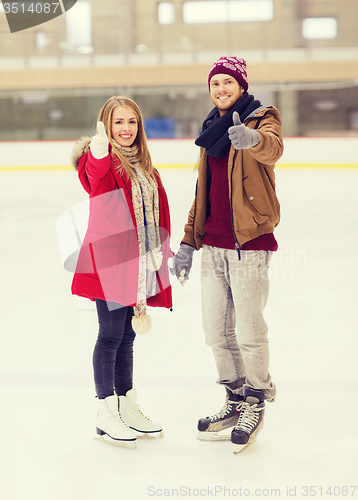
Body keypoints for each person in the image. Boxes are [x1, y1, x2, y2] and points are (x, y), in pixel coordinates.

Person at [173, 56, 283, 454]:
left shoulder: (260, 118)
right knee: (215, 332)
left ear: (241, 86)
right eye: (215, 83)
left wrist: (254, 141)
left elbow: (274, 148)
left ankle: (256, 399)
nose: (221, 89)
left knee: (251, 331)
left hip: (249, 242)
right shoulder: (209, 131)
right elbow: (203, 192)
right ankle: (235, 399)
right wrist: (188, 241)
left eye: (228, 82)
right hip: (213, 246)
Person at [71, 96, 172, 449]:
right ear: (106, 126)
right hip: (112, 261)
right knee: (111, 335)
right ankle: (105, 410)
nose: (125, 129)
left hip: (141, 261)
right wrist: (98, 152)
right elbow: (92, 180)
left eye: (131, 122)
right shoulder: (100, 160)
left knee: (127, 337)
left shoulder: (146, 167)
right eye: (118, 123)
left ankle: (126, 405)